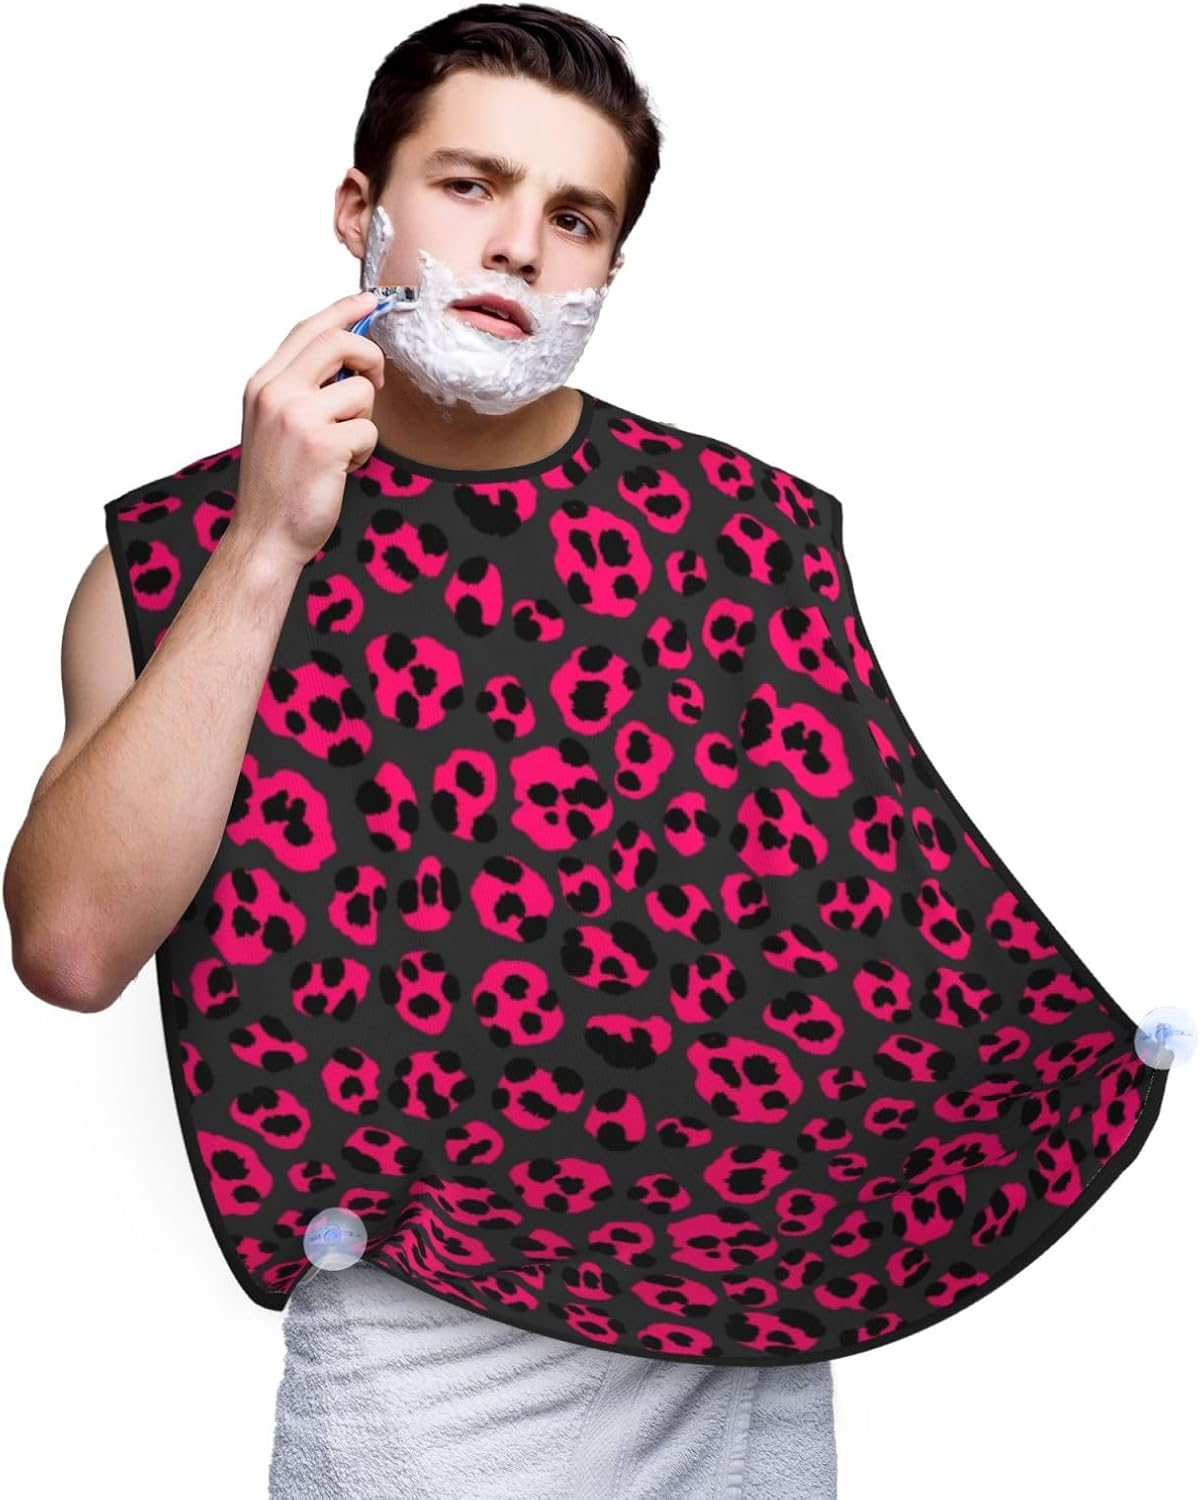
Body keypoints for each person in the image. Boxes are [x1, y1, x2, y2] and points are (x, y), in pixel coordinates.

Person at [3, 5, 838, 1496]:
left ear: (609, 266)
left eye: (574, 218)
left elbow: (854, 950)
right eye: (470, 185)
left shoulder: (745, 538)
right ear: (360, 211)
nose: (518, 247)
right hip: (422, 1358)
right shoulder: (173, 557)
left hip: (737, 1321)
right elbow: (70, 947)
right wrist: (267, 544)